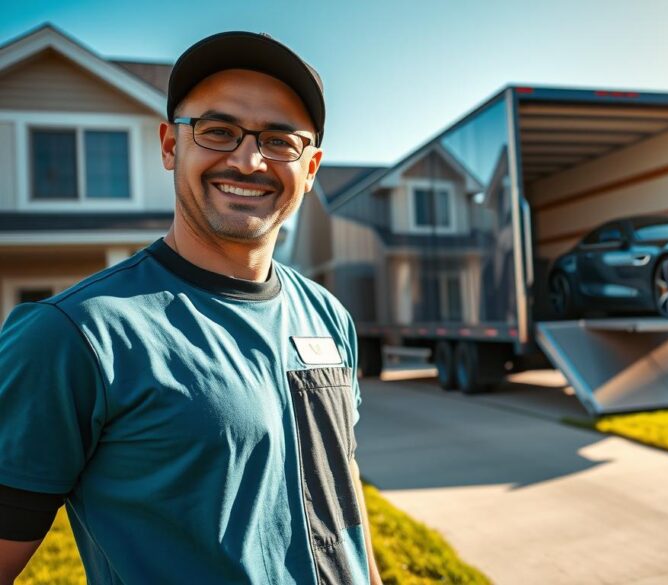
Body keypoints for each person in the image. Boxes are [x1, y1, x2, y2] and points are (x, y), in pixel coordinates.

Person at [0, 31, 382, 585]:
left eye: (280, 141)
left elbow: (340, 485)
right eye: (218, 131)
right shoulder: (75, 336)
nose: (249, 160)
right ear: (169, 145)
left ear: (313, 167)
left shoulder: (327, 315)